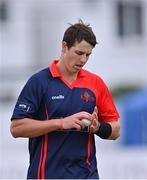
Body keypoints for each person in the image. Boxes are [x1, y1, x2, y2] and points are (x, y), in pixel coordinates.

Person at [10, 19, 120, 179]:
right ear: (64, 47)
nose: (83, 60)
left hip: (86, 175)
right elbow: (16, 128)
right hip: (46, 175)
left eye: (88, 55)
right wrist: (61, 123)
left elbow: (115, 130)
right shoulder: (39, 81)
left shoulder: (96, 83)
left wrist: (97, 128)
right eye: (79, 53)